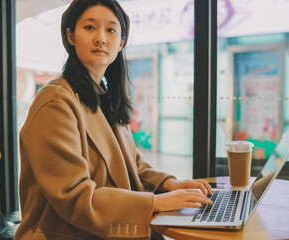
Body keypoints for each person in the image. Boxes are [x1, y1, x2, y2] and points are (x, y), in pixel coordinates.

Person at [14, 0, 213, 239]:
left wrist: (169, 184)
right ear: (71, 36)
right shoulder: (56, 103)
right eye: (89, 27)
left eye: (110, 30)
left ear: (122, 42)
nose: (101, 38)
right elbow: (74, 196)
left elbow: (130, 163)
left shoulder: (104, 95)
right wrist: (156, 202)